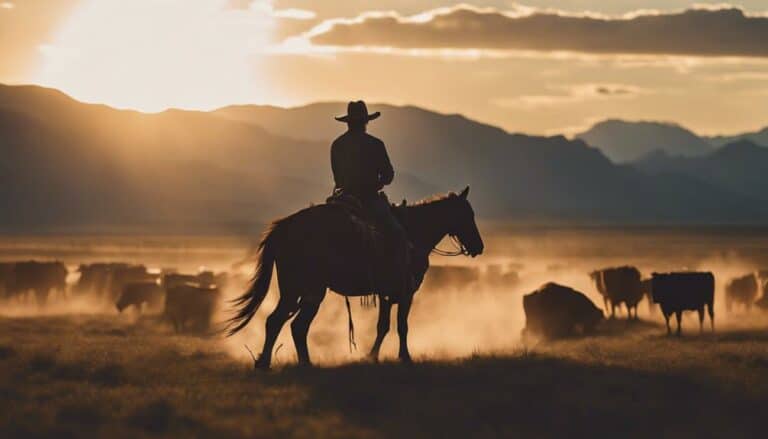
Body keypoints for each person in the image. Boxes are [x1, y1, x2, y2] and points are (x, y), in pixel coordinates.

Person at [330, 100, 412, 295]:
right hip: (369, 200)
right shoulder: (375, 144)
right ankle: (395, 282)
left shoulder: (337, 145)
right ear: (365, 122)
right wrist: (378, 183)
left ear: (348, 122)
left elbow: (337, 178)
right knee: (397, 234)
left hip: (343, 200)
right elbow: (389, 175)